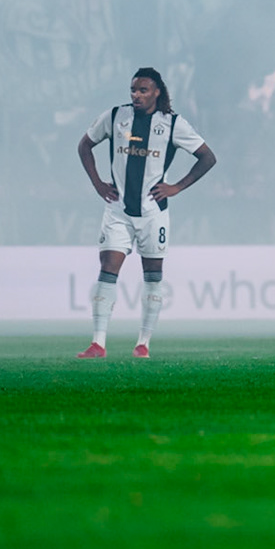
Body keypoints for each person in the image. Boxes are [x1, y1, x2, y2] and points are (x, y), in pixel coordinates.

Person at [75, 68, 215, 359]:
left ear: (156, 92)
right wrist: (98, 183)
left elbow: (207, 157)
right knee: (108, 268)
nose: (136, 95)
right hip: (118, 209)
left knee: (152, 276)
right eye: (133, 90)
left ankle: (143, 344)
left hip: (153, 212)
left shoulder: (173, 124)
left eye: (143, 90)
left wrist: (177, 186)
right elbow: (85, 145)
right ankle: (98, 343)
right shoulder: (116, 116)